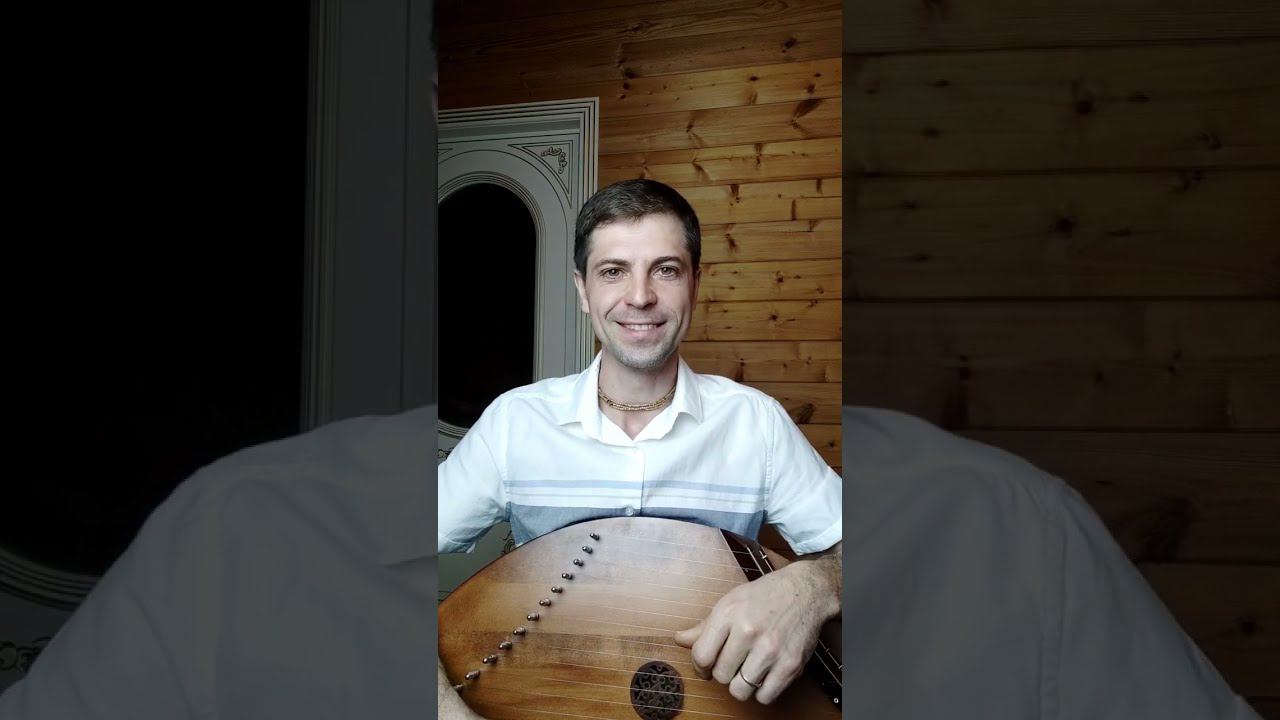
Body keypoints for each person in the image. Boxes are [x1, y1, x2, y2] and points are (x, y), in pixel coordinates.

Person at [435, 178, 844, 718]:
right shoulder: (515, 423)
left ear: (695, 283)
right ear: (582, 290)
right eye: (613, 271)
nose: (640, 296)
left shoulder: (755, 423)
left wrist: (813, 584)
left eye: (665, 269)